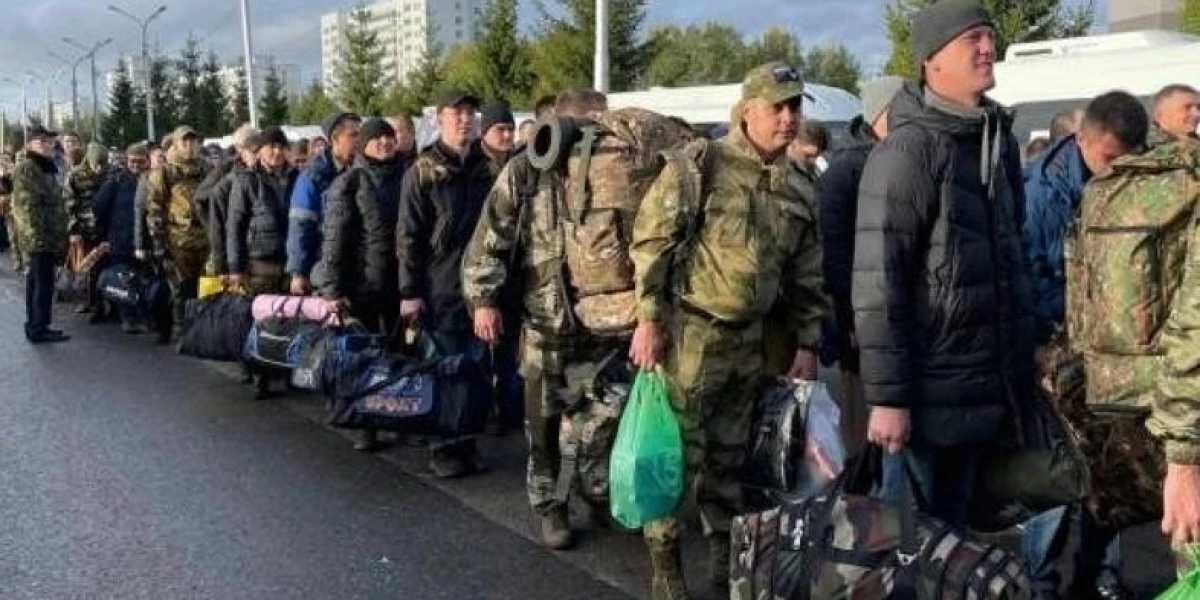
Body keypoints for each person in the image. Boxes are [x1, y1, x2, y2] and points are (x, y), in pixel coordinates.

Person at [629, 62, 827, 599]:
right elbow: (651, 244)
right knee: (675, 458)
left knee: (730, 461)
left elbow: (808, 272)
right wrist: (648, 320)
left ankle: (726, 565)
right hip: (693, 336)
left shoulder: (798, 184)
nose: (788, 118)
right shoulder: (702, 166)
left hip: (752, 343)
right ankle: (666, 568)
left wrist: (809, 340)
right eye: (777, 107)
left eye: (795, 107)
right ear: (747, 111)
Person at [854, 0, 1034, 528]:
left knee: (962, 541)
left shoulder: (996, 142)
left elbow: (1012, 256)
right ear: (932, 60)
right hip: (933, 394)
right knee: (919, 540)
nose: (988, 48)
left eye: (989, 36)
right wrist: (888, 399)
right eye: (972, 39)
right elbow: (878, 281)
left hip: (991, 387)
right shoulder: (909, 150)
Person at [463, 88, 611, 549]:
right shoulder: (526, 171)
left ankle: (594, 490)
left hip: (601, 325)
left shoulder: (611, 170)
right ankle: (553, 504)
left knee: (596, 417)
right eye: (592, 123)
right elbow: (489, 239)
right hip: (546, 322)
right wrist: (483, 300)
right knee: (544, 423)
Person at [1020, 90, 1148, 600]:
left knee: (1114, 474)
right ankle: (1040, 581)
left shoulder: (1137, 183)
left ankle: (1099, 576)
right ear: (1082, 140)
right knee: (1056, 474)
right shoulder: (1040, 194)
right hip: (1055, 351)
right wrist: (1068, 325)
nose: (1117, 171)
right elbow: (1026, 276)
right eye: (1109, 158)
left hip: (1114, 355)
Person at [398, 90, 495, 479]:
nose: (465, 120)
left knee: (476, 370)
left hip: (481, 290)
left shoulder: (487, 170)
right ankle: (443, 446)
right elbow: (408, 237)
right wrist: (409, 293)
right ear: (439, 119)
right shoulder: (423, 172)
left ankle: (467, 441)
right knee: (442, 369)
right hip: (440, 289)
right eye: (457, 113)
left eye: (470, 113)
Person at [818, 75, 904, 452]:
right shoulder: (846, 171)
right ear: (879, 115)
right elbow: (835, 253)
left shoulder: (904, 159)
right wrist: (851, 318)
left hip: (898, 317)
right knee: (864, 426)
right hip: (862, 319)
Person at [312, 119, 403, 451]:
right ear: (363, 145)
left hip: (398, 284)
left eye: (388, 136)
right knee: (364, 357)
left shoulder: (406, 176)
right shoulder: (350, 182)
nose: (384, 142)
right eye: (376, 138)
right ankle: (365, 423)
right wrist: (332, 289)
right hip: (361, 286)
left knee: (397, 355)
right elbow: (334, 241)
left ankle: (395, 415)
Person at [142, 126, 211, 344]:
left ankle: (199, 330)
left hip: (204, 239)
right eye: (185, 142)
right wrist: (159, 244)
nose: (190, 146)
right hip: (177, 241)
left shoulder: (206, 168)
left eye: (193, 142)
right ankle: (179, 330)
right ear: (175, 145)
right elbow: (154, 208)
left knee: (204, 288)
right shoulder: (165, 172)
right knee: (179, 289)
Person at [286, 112, 361, 296]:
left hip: (357, 264)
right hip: (324, 266)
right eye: (353, 135)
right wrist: (298, 271)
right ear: (335, 139)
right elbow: (301, 223)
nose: (359, 140)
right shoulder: (313, 176)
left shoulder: (361, 170)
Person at [11, 126, 70, 343]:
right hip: (38, 236)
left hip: (48, 234)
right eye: (41, 142)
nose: (47, 146)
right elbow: (26, 207)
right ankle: (38, 327)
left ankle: (37, 325)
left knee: (40, 282)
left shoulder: (45, 166)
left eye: (49, 142)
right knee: (41, 283)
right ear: (30, 144)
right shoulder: (28, 167)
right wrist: (36, 237)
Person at [227, 126, 296, 297]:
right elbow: (235, 225)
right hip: (259, 265)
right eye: (272, 147)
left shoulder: (297, 178)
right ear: (260, 151)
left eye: (281, 146)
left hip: (291, 265)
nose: (277, 152)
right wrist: (235, 267)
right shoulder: (246, 181)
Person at [93, 143, 150, 334]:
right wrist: (107, 233)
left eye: (141, 161)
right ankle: (127, 318)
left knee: (141, 279)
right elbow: (99, 207)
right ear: (126, 161)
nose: (136, 165)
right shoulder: (116, 182)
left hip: (143, 240)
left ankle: (141, 315)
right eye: (133, 161)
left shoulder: (150, 180)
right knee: (123, 280)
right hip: (121, 239)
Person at [195, 124, 258, 280]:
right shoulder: (227, 172)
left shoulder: (264, 171)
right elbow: (201, 198)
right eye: (250, 148)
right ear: (239, 149)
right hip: (231, 243)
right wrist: (211, 224)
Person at [64, 142, 111, 316]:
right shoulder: (75, 175)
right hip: (84, 229)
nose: (99, 169)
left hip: (104, 228)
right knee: (84, 267)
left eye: (102, 165)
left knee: (102, 266)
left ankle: (101, 301)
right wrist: (74, 231)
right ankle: (85, 300)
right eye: (96, 164)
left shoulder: (110, 173)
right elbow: (69, 204)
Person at [479, 101, 516, 167]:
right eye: (500, 129)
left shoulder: (520, 161)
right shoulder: (468, 164)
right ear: (485, 132)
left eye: (510, 129)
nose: (507, 135)